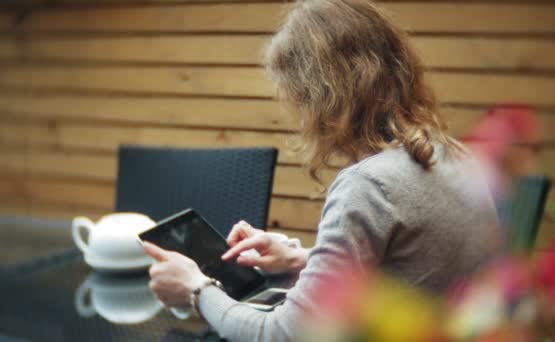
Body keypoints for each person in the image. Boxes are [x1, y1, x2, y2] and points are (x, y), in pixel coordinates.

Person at [142, 0, 501, 340]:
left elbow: (281, 335)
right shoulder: (454, 155)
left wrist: (196, 289)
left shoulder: (368, 185)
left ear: (320, 98)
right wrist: (302, 260)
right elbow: (409, 271)